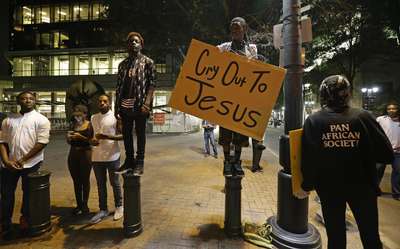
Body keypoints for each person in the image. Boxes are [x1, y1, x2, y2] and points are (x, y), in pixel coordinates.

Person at [298, 75, 394, 249]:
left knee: (335, 238)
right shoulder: (363, 117)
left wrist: (306, 185)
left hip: (330, 189)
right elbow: (386, 154)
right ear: (348, 94)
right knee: (370, 236)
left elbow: (309, 158)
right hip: (363, 188)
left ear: (323, 95)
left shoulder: (314, 121)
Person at [0, 91, 51, 240]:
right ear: (18, 101)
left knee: (29, 194)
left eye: (30, 98)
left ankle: (25, 221)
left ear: (35, 101)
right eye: (23, 98)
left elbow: (41, 143)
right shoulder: (8, 120)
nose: (27, 100)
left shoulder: (41, 120)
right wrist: (5, 160)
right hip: (9, 164)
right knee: (6, 195)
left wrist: (22, 160)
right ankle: (5, 224)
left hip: (31, 163)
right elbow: (2, 142)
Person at [217, 17, 257, 176]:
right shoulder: (224, 48)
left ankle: (237, 162)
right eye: (232, 28)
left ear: (244, 29)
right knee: (226, 133)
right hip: (226, 98)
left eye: (238, 28)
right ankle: (227, 161)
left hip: (243, 98)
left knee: (240, 132)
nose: (235, 31)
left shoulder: (252, 49)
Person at [114, 31, 156, 175]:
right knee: (126, 134)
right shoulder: (122, 65)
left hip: (140, 104)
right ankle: (129, 160)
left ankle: (140, 162)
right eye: (131, 41)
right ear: (127, 45)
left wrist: (147, 104)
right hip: (125, 103)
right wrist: (116, 106)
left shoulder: (148, 62)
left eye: (136, 41)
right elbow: (119, 86)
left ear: (141, 45)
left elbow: (152, 84)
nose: (133, 43)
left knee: (140, 133)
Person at [89, 95, 124, 224]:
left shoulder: (116, 117)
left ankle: (119, 207)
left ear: (109, 103)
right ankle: (103, 209)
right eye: (100, 101)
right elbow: (90, 136)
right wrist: (91, 141)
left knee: (115, 183)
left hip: (112, 156)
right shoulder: (93, 117)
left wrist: (106, 136)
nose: (102, 103)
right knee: (100, 184)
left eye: (105, 101)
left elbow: (123, 136)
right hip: (96, 157)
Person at [66, 104, 93, 216]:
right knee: (76, 180)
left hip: (85, 153)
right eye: (75, 114)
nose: (77, 116)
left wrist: (80, 137)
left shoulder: (89, 125)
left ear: (85, 114)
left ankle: (85, 204)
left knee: (85, 179)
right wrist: (68, 138)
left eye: (79, 114)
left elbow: (92, 141)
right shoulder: (73, 125)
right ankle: (79, 205)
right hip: (73, 153)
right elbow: (69, 142)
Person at [376, 101, 400, 200]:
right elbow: (372, 129)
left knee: (398, 172)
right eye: (389, 108)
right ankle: (375, 190)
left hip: (397, 152)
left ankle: (397, 193)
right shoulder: (381, 119)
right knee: (377, 171)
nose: (391, 110)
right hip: (382, 150)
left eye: (393, 108)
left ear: (398, 109)